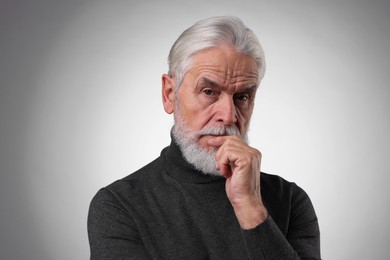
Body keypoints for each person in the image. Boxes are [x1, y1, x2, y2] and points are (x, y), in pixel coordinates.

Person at [88, 16, 321, 259]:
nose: (228, 116)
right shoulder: (119, 205)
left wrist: (250, 208)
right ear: (169, 94)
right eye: (209, 92)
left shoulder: (291, 201)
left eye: (242, 97)